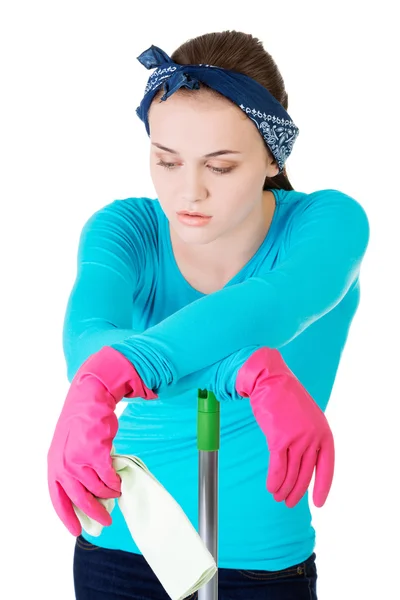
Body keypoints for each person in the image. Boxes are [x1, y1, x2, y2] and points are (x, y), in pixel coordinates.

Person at [47, 30, 370, 600]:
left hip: (261, 565)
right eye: (167, 161)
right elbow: (87, 340)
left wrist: (107, 374)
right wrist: (245, 372)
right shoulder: (128, 230)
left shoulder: (328, 225)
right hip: (121, 548)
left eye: (219, 167)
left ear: (273, 156)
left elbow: (267, 307)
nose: (187, 191)